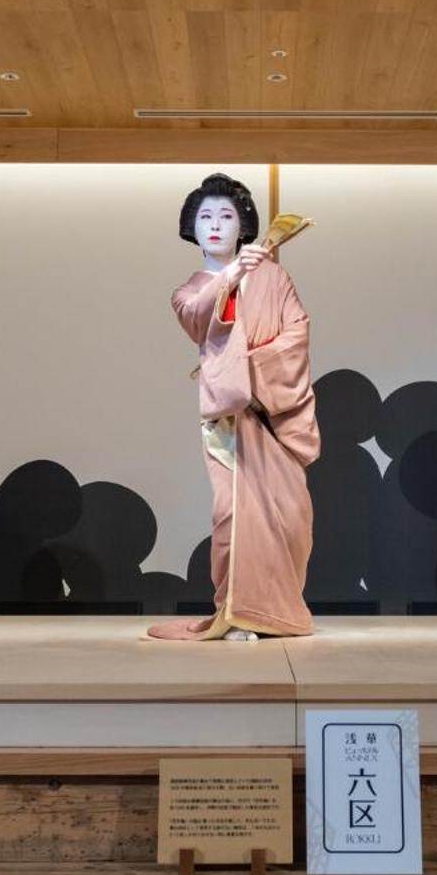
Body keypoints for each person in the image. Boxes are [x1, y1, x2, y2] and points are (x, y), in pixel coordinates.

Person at [148, 174, 319, 641]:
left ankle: (273, 614)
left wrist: (254, 367)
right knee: (231, 514)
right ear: (193, 229)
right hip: (229, 419)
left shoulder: (276, 276)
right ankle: (236, 613)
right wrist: (233, 275)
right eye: (206, 217)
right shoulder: (189, 290)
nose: (217, 225)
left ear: (243, 224)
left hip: (273, 413)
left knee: (287, 513)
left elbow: (296, 333)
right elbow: (197, 318)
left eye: (227, 215)